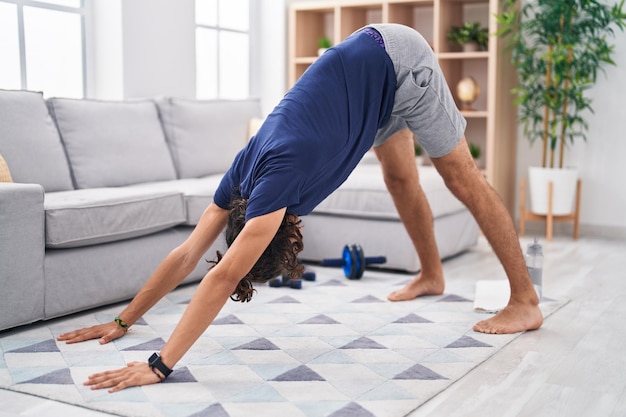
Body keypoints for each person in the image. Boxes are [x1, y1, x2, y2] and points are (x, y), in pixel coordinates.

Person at [57, 24, 543, 392]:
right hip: (367, 84)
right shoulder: (242, 178)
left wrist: (158, 366)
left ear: (275, 226)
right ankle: (431, 276)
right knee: (399, 177)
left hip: (399, 63)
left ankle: (525, 302)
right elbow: (188, 254)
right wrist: (123, 321)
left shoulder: (279, 183)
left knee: (460, 177)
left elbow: (222, 275)